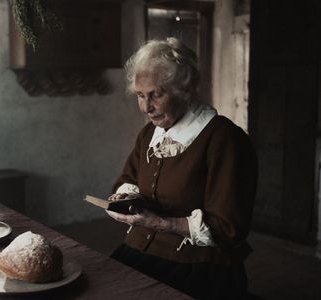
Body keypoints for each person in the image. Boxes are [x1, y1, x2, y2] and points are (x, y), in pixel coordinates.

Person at [106, 37, 257, 300]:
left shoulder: (225, 139)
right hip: (139, 251)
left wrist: (160, 223)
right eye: (140, 96)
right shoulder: (149, 134)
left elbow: (229, 228)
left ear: (184, 89)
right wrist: (126, 196)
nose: (146, 107)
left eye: (156, 95)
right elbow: (129, 177)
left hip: (198, 267)